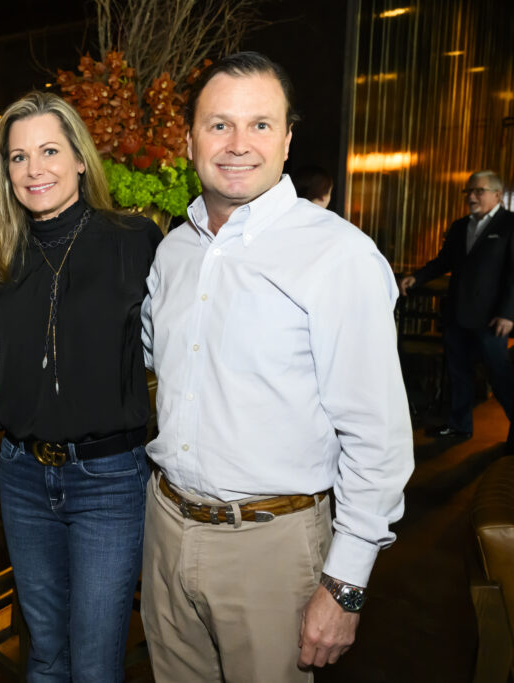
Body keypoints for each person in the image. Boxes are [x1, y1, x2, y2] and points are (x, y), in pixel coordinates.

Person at [141, 51, 413, 681]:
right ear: (188, 140)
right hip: (166, 528)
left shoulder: (337, 255)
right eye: (218, 124)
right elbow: (158, 362)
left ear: (288, 139)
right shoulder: (174, 250)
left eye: (260, 125)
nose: (238, 144)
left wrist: (345, 586)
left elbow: (377, 436)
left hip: (273, 546)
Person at [0, 91, 162, 681]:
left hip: (108, 481)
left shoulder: (133, 240)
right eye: (18, 157)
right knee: (44, 653)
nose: (34, 169)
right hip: (22, 476)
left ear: (81, 158)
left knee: (93, 661)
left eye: (49, 151)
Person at [400, 171, 514, 448]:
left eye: (478, 191)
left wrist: (509, 313)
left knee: (501, 377)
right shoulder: (461, 225)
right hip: (457, 314)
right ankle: (459, 426)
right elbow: (444, 261)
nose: (471, 197)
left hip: (492, 319)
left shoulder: (511, 225)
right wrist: (418, 277)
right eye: (468, 192)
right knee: (458, 374)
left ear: (497, 195)